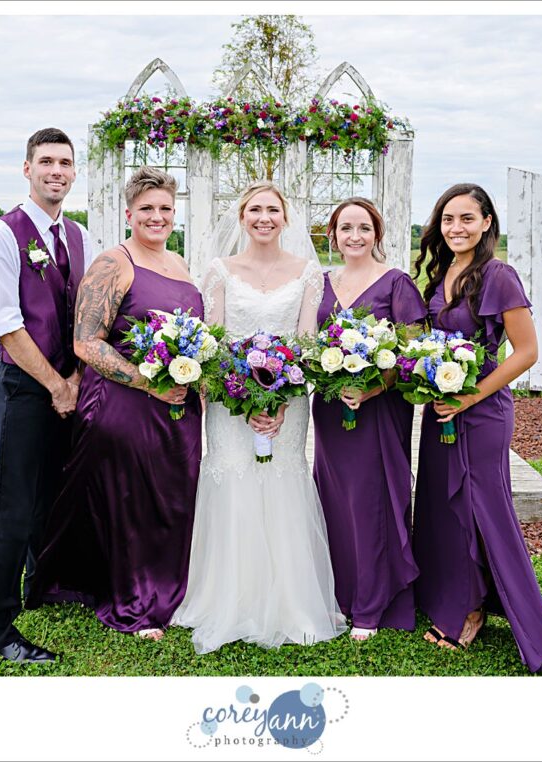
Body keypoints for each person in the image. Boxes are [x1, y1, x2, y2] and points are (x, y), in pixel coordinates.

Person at [24, 167, 201, 642]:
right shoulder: (113, 264)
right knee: (133, 502)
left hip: (178, 404)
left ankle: (172, 588)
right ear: (129, 214)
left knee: (173, 497)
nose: (157, 217)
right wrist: (149, 383)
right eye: (147, 209)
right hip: (125, 404)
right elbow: (87, 343)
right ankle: (136, 600)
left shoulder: (180, 263)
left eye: (165, 208)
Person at [171, 181, 347, 653]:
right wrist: (241, 402)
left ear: (285, 218)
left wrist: (283, 399)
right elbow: (212, 344)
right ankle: (230, 599)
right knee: (235, 483)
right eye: (254, 210)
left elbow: (307, 344)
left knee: (282, 484)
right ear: (242, 217)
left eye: (272, 210)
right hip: (230, 407)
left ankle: (289, 600)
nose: (264, 217)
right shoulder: (219, 271)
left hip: (289, 404)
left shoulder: (309, 273)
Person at [411, 183, 542, 673]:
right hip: (440, 410)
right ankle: (451, 597)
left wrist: (469, 396)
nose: (457, 228)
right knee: (442, 506)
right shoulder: (442, 273)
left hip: (480, 412)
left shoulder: (498, 275)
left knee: (479, 509)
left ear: (486, 223)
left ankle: (474, 611)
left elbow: (526, 352)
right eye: (448, 220)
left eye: (467, 219)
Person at [0, 127, 91, 663]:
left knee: (53, 495)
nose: (57, 172)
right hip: (27, 387)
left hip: (69, 385)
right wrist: (55, 385)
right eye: (46, 162)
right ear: (27, 168)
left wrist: (77, 383)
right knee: (13, 506)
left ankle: (42, 586)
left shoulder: (79, 236)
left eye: (65, 163)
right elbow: (8, 326)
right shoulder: (2, 236)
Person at [311, 197, 427, 641]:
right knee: (335, 500)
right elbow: (308, 340)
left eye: (364, 227)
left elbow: (415, 352)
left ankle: (372, 603)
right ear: (333, 235)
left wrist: (373, 387)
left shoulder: (397, 283)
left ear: (377, 234)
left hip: (378, 408)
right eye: (345, 228)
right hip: (330, 405)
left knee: (372, 499)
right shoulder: (320, 283)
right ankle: (339, 597)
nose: (354, 236)